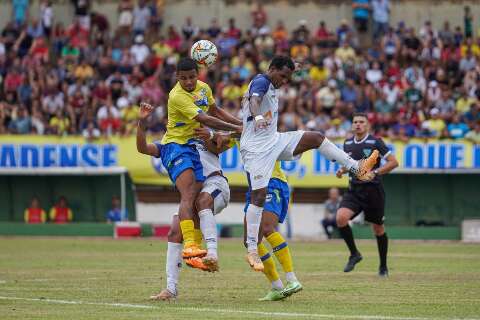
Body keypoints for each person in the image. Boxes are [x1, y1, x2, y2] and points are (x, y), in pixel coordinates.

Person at [240, 55, 379, 272]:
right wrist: (257, 117)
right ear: (272, 69)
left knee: (315, 138)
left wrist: (294, 66)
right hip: (256, 149)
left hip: (274, 140)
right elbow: (254, 100)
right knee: (258, 196)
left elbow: (282, 74)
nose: (285, 81)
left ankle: (357, 167)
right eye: (283, 76)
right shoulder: (261, 82)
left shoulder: (273, 79)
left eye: (289, 77)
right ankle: (251, 249)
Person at [136, 58, 241, 262]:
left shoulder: (204, 93)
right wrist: (141, 123)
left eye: (192, 77)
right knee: (180, 219)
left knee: (195, 196)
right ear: (177, 78)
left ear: (198, 74)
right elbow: (205, 118)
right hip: (176, 146)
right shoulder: (177, 98)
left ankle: (202, 251)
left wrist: (240, 126)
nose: (189, 82)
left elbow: (215, 114)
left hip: (213, 182)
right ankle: (177, 277)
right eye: (184, 78)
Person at [149, 127, 232, 301]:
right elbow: (146, 149)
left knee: (203, 201)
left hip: (215, 183)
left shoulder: (202, 130)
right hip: (192, 193)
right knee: (174, 232)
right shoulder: (171, 141)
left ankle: (212, 254)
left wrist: (210, 136)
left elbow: (223, 144)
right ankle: (171, 289)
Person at [335, 113, 398, 277]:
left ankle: (383, 266)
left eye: (361, 122)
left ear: (367, 125)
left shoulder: (375, 142)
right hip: (354, 190)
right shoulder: (347, 143)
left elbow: (394, 162)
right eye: (355, 122)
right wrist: (342, 170)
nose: (358, 124)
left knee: (378, 229)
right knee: (341, 218)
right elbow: (350, 163)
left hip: (373, 192)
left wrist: (375, 172)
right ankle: (354, 254)